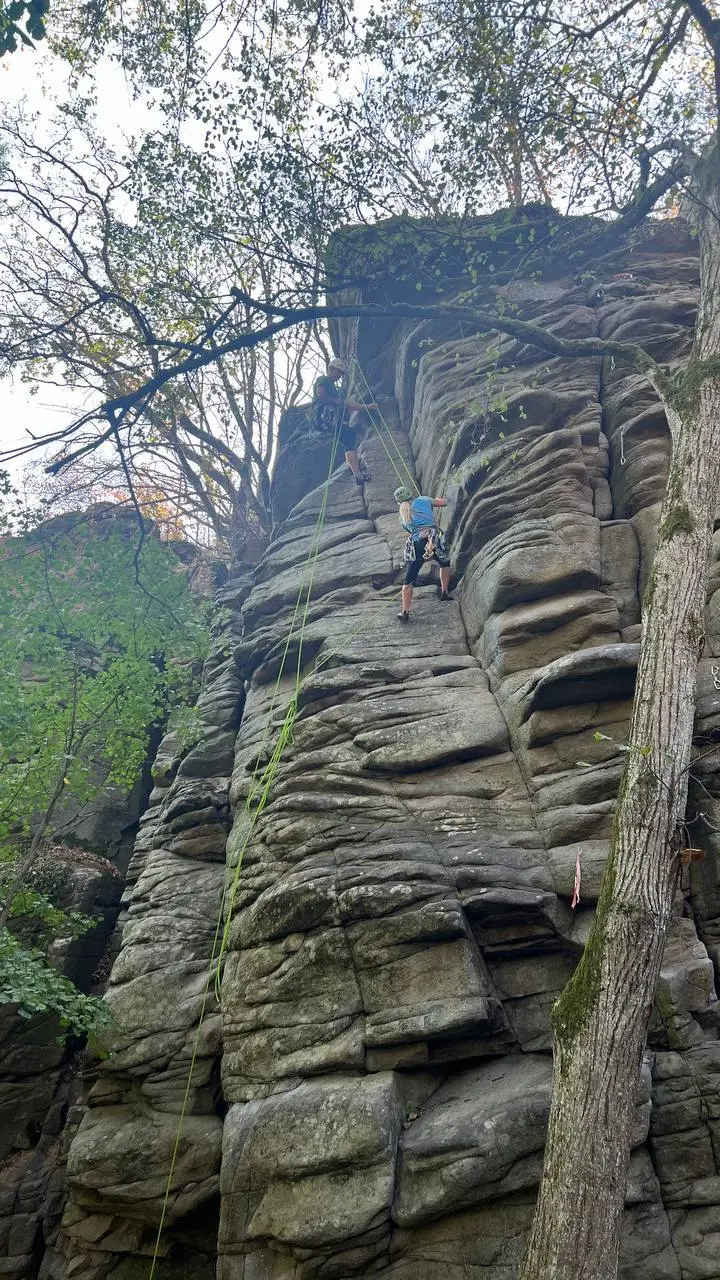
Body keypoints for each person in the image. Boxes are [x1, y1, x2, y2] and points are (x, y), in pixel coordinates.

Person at [312, 357, 378, 485]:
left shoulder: (335, 389)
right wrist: (337, 402)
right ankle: (356, 472)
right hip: (324, 418)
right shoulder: (323, 380)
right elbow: (321, 395)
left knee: (348, 435)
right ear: (330, 369)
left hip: (328, 421)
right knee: (348, 435)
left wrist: (367, 407)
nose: (339, 376)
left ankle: (353, 469)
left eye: (341, 374)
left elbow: (348, 404)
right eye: (338, 372)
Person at [395, 486, 453, 621]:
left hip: (416, 544)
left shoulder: (402, 516)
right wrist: (446, 497)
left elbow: (410, 530)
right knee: (444, 562)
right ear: (411, 494)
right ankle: (444, 592)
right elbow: (443, 503)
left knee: (410, 576)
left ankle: (405, 611)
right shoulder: (422, 499)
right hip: (432, 538)